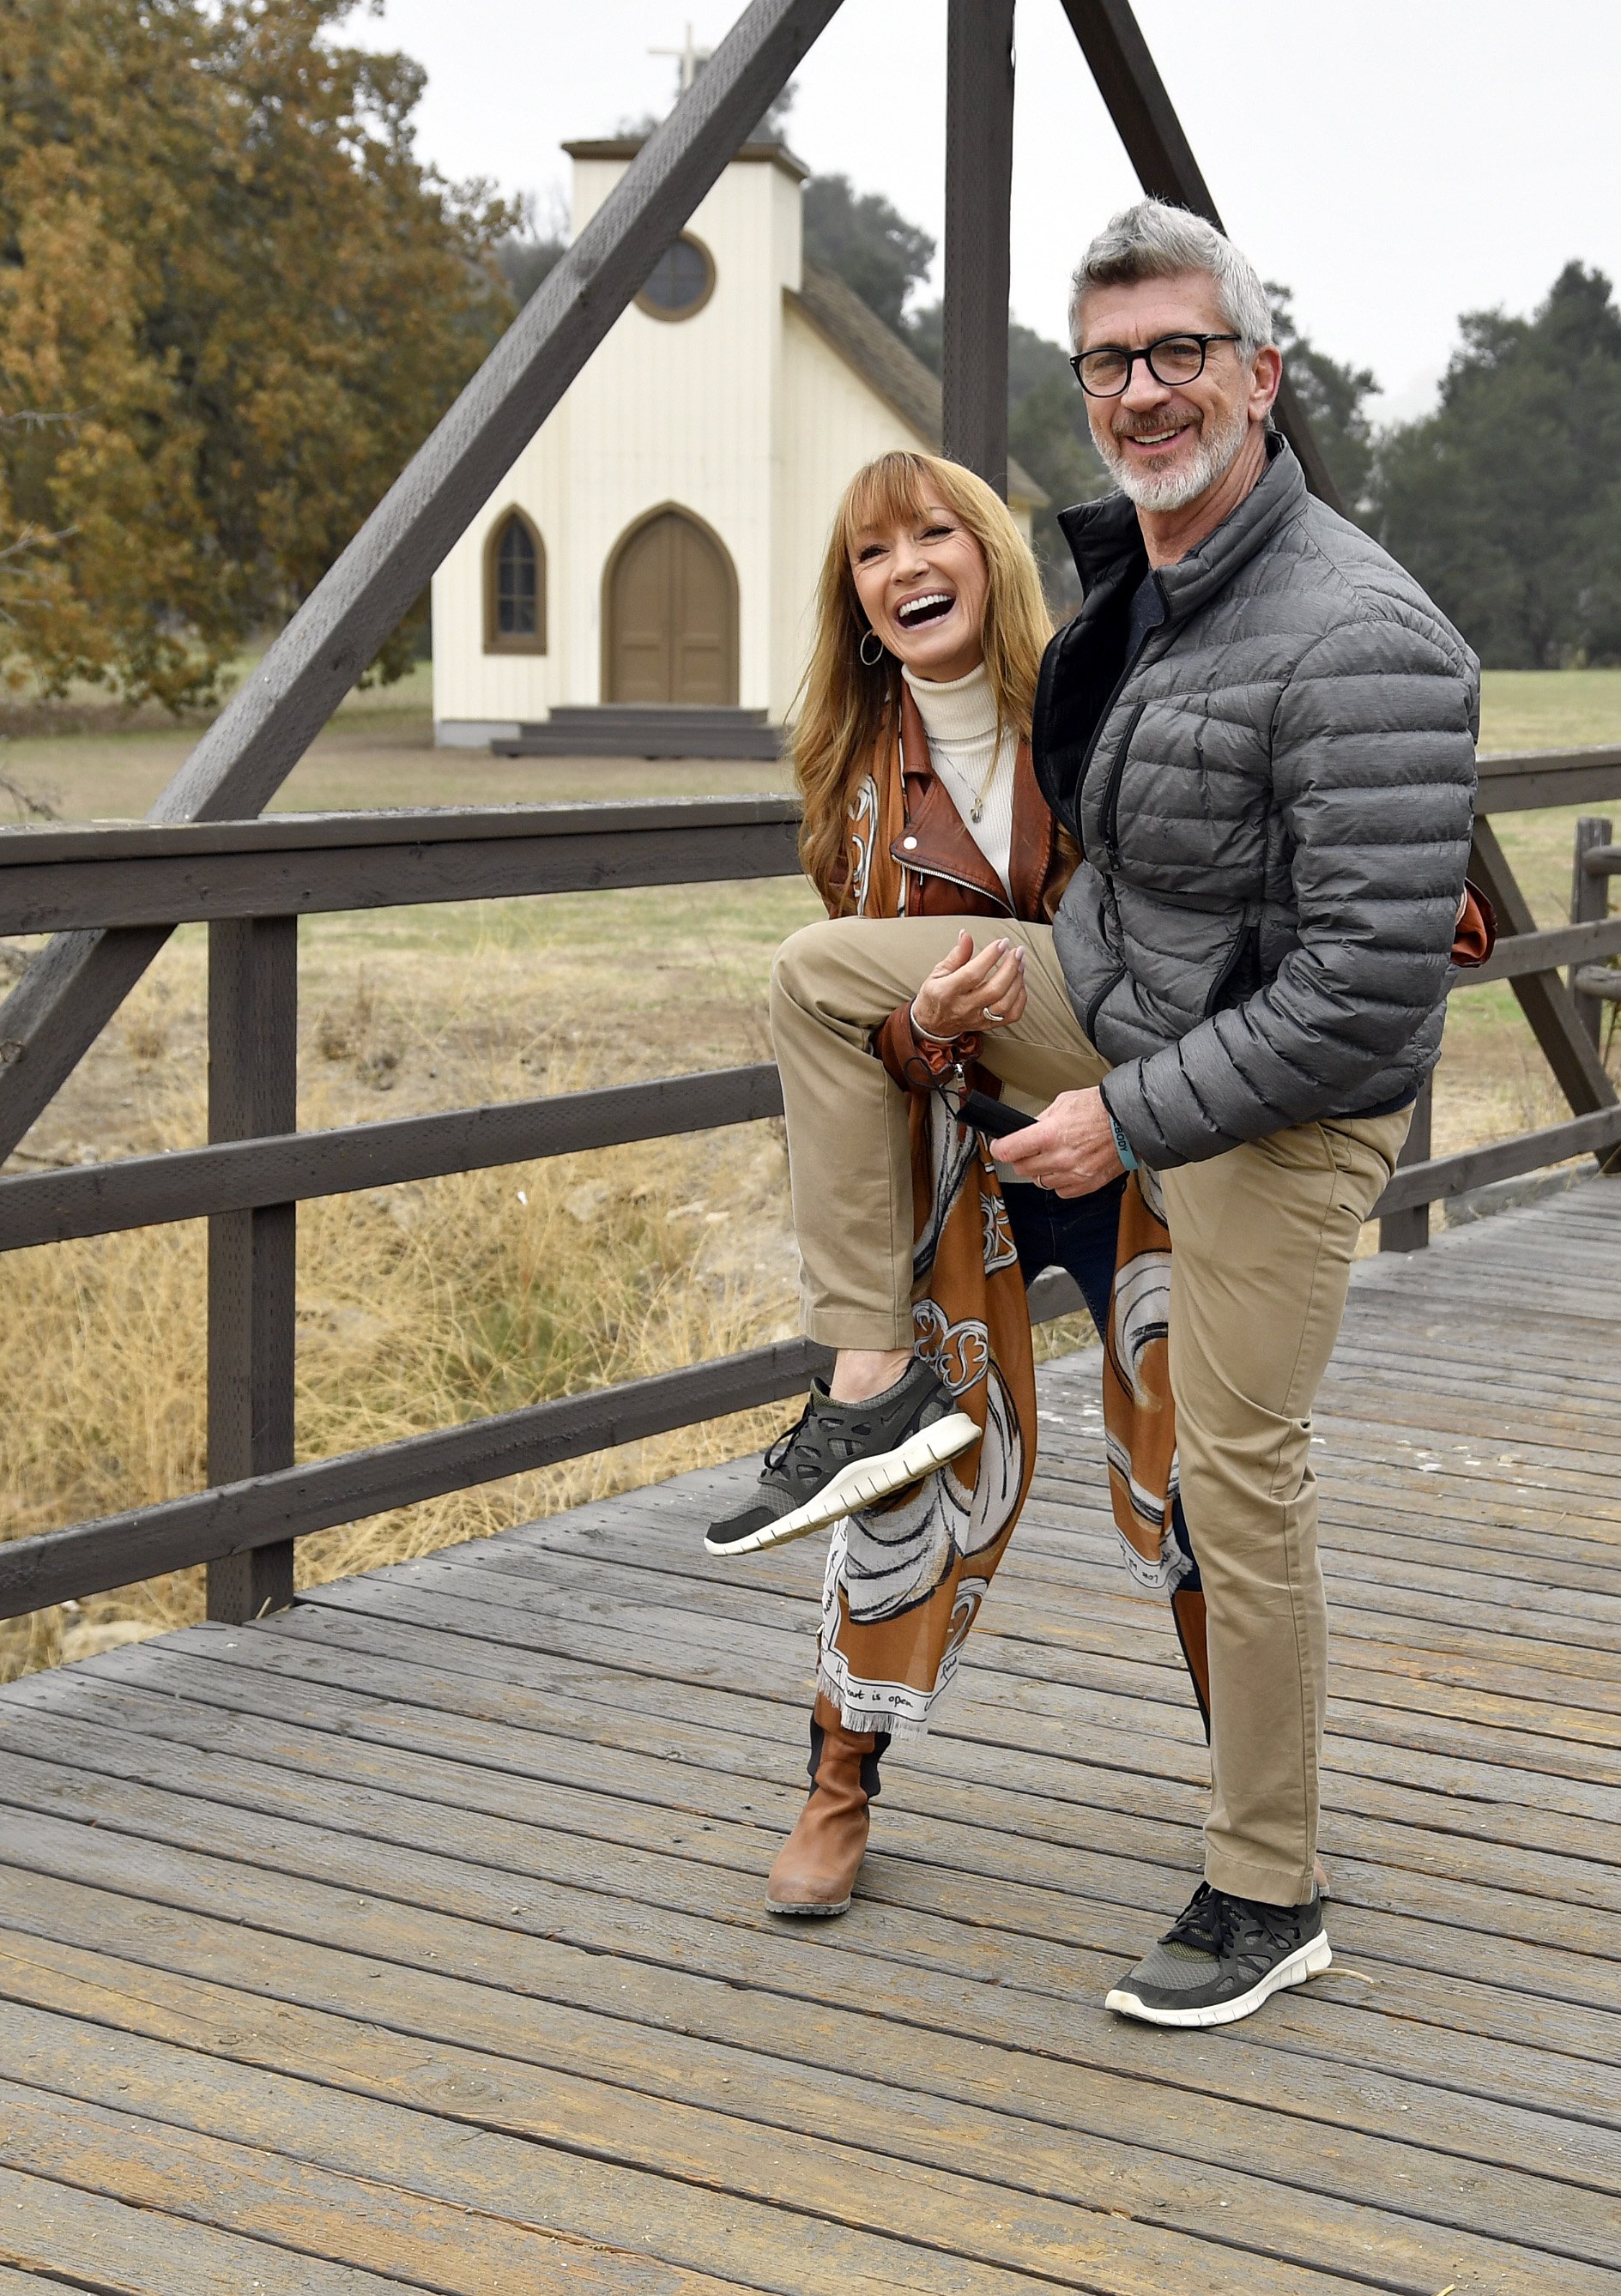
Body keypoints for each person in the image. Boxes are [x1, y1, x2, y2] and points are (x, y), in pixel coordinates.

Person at [719, 200, 1482, 2029]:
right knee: (828, 971)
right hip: (1127, 1026)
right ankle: (868, 1381)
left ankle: (1265, 1888)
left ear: (1261, 376)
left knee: (1235, 1478)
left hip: (1282, 1114)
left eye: (1181, 354)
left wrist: (1126, 1118)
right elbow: (1140, 880)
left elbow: (1366, 992)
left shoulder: (1366, 633)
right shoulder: (1144, 585)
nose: (1145, 392)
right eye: (1113, 362)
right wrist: (992, 985)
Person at [711, 448, 1222, 1921]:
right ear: (856, 599)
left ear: (989, 556)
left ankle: (1249, 1788)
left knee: (1202, 1466)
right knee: (905, 1464)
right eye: (874, 554)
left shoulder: (1090, 699)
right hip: (968, 1153)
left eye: (936, 533)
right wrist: (919, 1028)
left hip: (1132, 1132)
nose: (907, 566)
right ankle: (836, 1783)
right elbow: (855, 1016)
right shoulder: (850, 767)